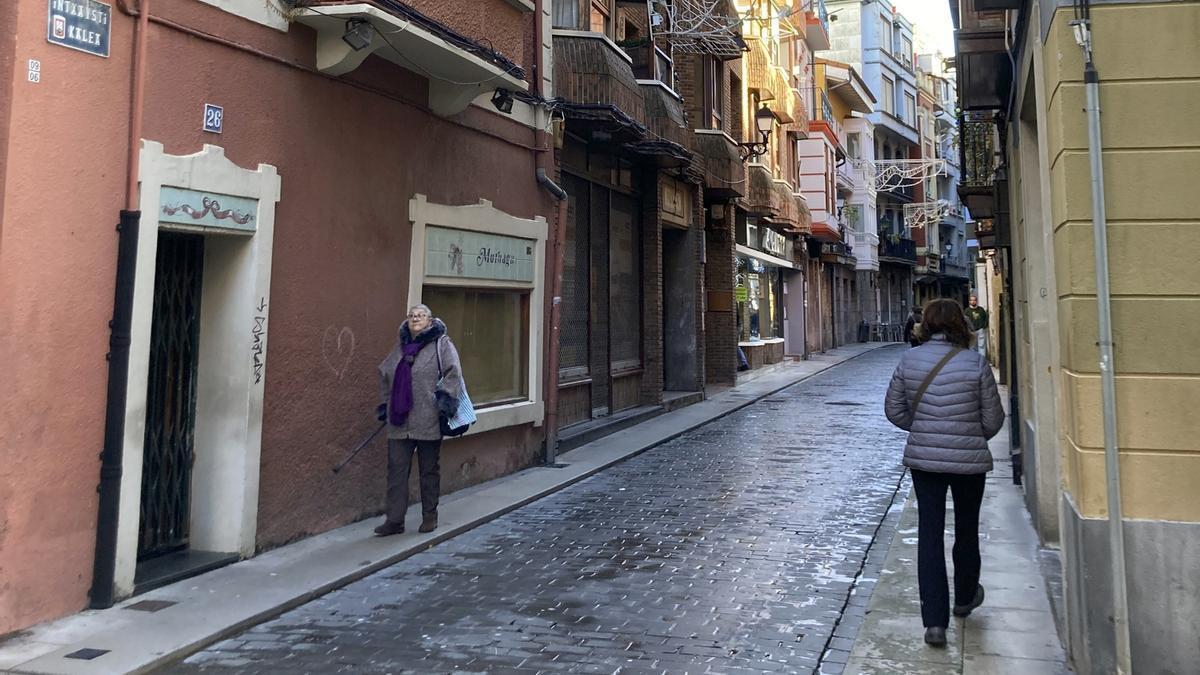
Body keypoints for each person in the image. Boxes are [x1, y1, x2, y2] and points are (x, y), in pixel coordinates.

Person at [884, 298, 1005, 647]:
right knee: (967, 528)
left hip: (926, 462)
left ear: (926, 325)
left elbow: (894, 409)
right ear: (960, 324)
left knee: (929, 534)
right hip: (969, 460)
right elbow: (993, 418)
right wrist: (969, 435)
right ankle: (965, 597)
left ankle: (934, 623)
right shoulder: (975, 362)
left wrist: (925, 429)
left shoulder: (909, 360)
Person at [374, 304, 463, 536]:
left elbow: (453, 373)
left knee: (428, 470)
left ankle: (430, 516)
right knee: (396, 471)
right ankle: (394, 520)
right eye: (412, 315)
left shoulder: (441, 344)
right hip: (399, 420)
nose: (415, 319)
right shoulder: (400, 347)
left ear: (430, 321)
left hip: (428, 418)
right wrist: (386, 404)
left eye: (421, 315)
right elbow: (384, 373)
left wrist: (444, 400)